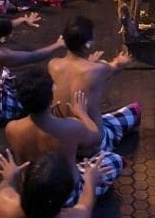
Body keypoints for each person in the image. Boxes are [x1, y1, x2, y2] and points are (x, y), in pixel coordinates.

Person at [6, 69, 123, 203]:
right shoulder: (70, 127)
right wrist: (82, 113)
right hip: (67, 195)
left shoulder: (12, 128)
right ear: (51, 98)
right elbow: (97, 136)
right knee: (115, 159)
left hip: (33, 195)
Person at [48, 16, 139, 155]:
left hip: (63, 140)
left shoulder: (53, 65)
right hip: (92, 144)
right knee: (135, 110)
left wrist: (88, 62)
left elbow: (76, 72)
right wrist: (123, 61)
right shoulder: (98, 69)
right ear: (87, 44)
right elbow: (116, 66)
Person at [0, 14, 65, 126]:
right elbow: (33, 56)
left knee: (5, 72)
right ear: (3, 38)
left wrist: (22, 20)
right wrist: (58, 45)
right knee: (34, 98)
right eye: (9, 34)